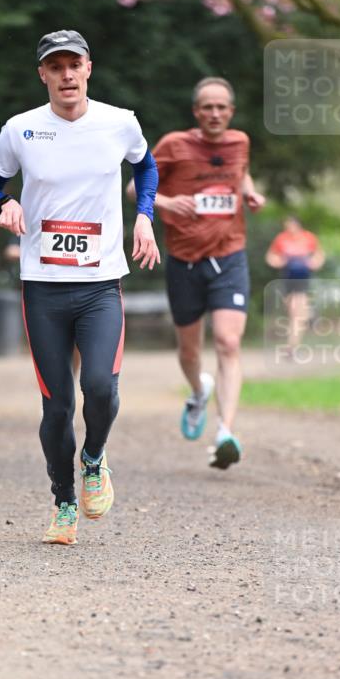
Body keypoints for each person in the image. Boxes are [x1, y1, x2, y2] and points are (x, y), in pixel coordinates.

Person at [0, 30, 159, 545]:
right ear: (43, 75)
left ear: (88, 68)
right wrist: (4, 204)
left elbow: (146, 167)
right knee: (55, 406)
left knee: (100, 387)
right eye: (55, 67)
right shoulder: (21, 130)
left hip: (101, 283)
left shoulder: (119, 123)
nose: (66, 75)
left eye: (73, 64)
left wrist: (144, 216)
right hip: (44, 287)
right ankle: (63, 502)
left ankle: (94, 458)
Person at [129, 77, 265, 470]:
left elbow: (240, 174)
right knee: (189, 351)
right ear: (196, 112)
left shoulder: (240, 142)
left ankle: (225, 432)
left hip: (229, 256)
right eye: (207, 107)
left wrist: (248, 193)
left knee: (228, 342)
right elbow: (134, 186)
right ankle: (197, 391)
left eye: (222, 107)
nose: (215, 113)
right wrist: (168, 204)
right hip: (184, 260)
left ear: (231, 112)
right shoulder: (173, 144)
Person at [265, 216, 325, 358]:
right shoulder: (281, 239)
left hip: (302, 278)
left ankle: (291, 347)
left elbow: (319, 255)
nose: (289, 228)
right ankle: (310, 314)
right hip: (288, 278)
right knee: (294, 311)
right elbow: (270, 256)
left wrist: (314, 263)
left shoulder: (308, 237)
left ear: (297, 225)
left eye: (291, 225)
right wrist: (278, 262)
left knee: (296, 313)